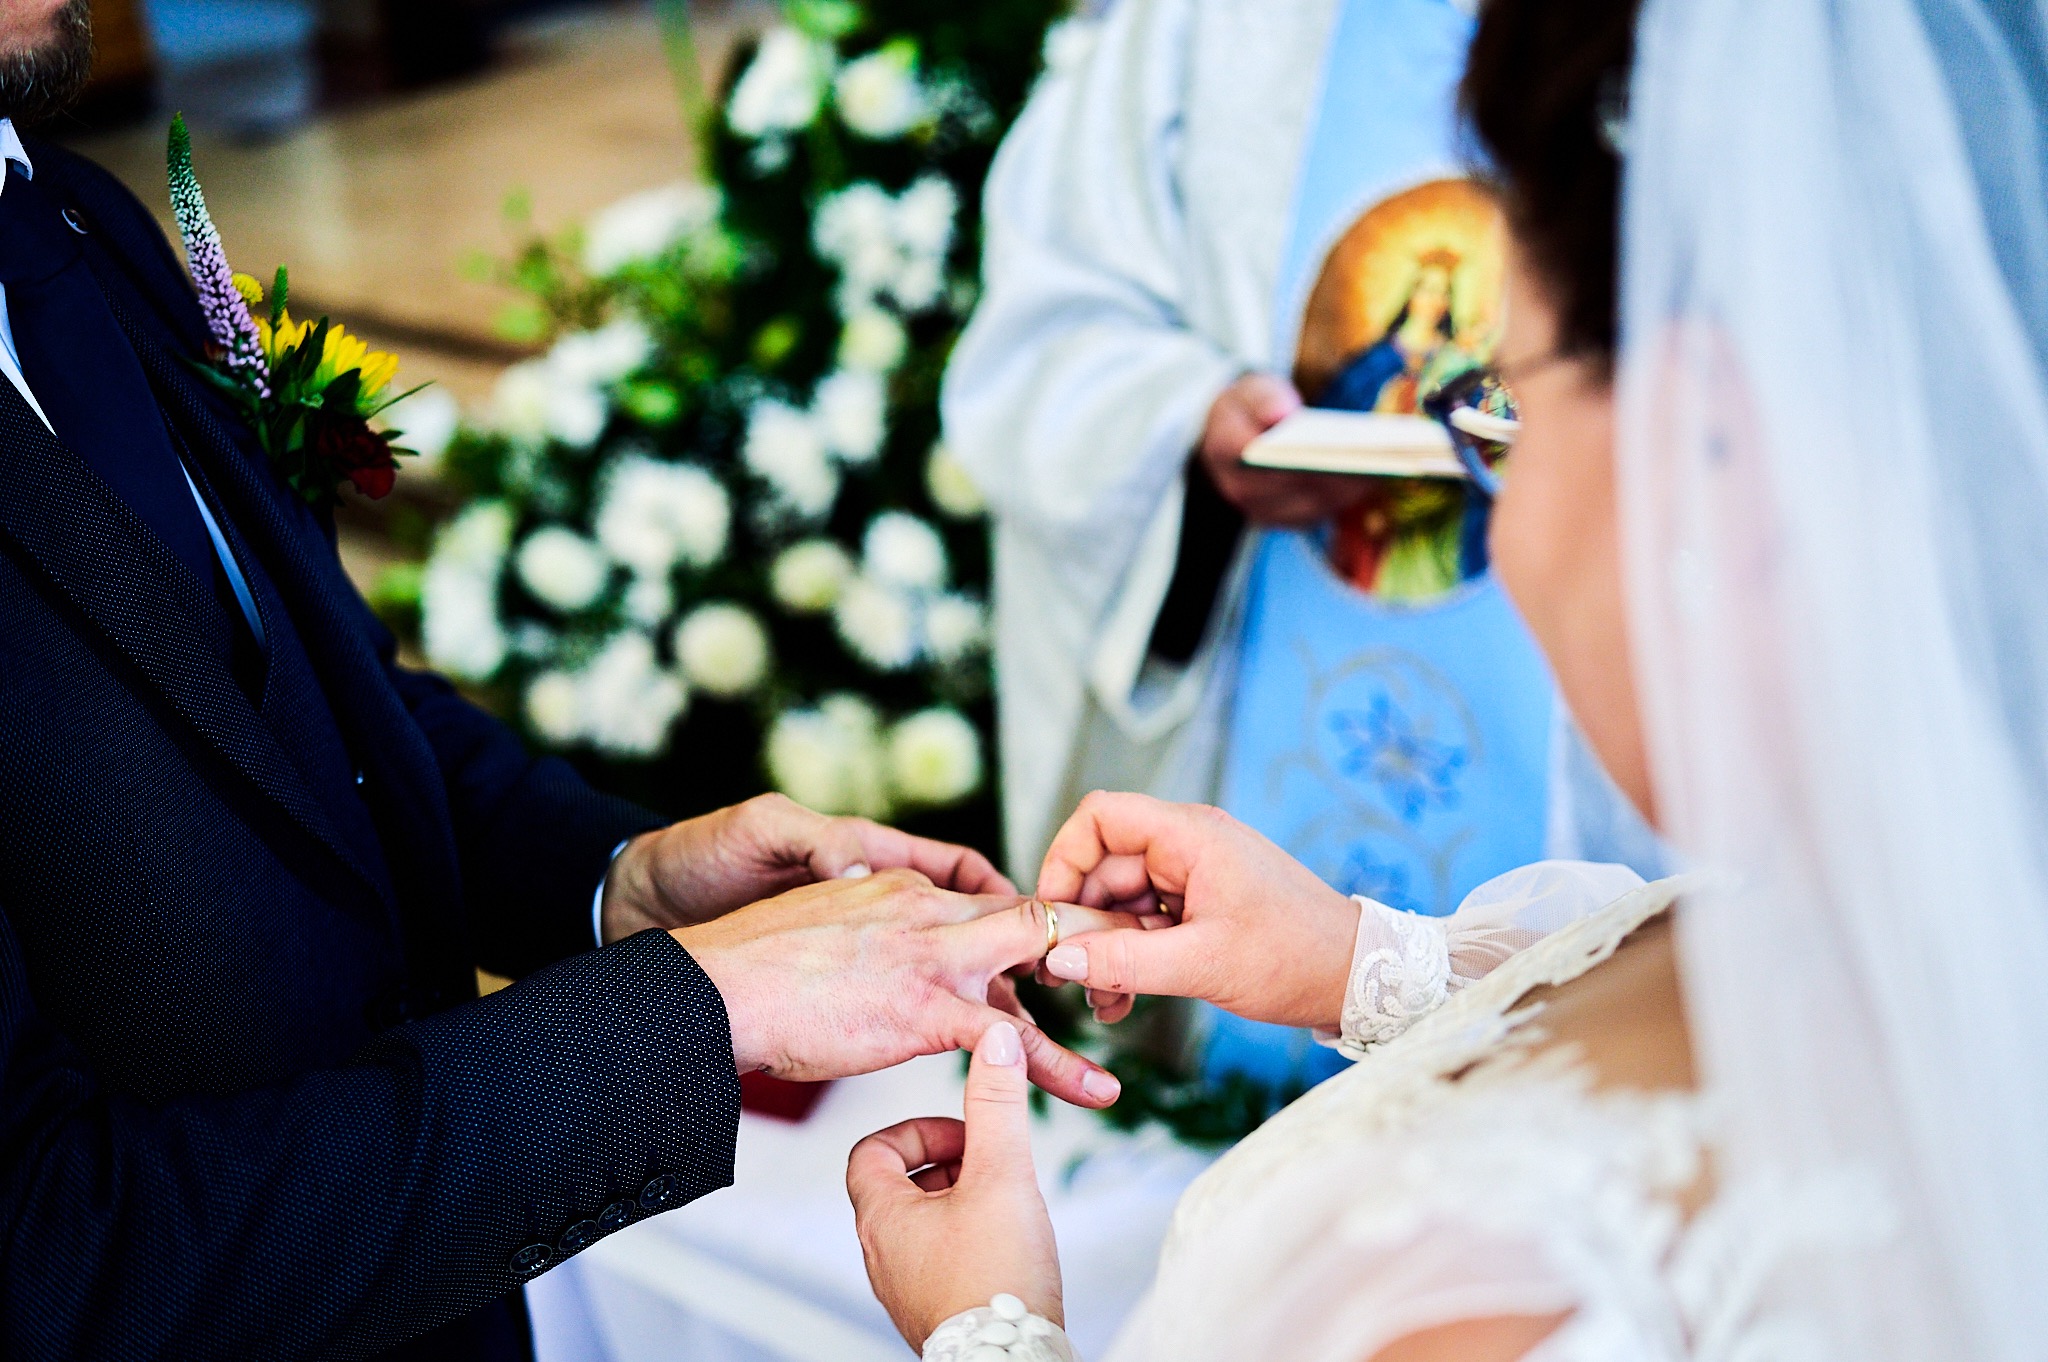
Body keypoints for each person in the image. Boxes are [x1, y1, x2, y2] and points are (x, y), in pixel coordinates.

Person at [850, 0, 2048, 1356]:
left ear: (1711, 453)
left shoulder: (1496, 1280)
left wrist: (986, 1328)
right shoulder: (1954, 934)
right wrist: (1363, 961)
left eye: (1508, 408)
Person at [0, 4, 1124, 1359]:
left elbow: (313, 710)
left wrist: (610, 877)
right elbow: (48, 1259)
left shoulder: (71, 215)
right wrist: (686, 1017)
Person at [944, 0, 1659, 1092]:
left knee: (1601, 1079)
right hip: (1274, 636)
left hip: (1576, 699)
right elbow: (1044, 327)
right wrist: (1189, 423)